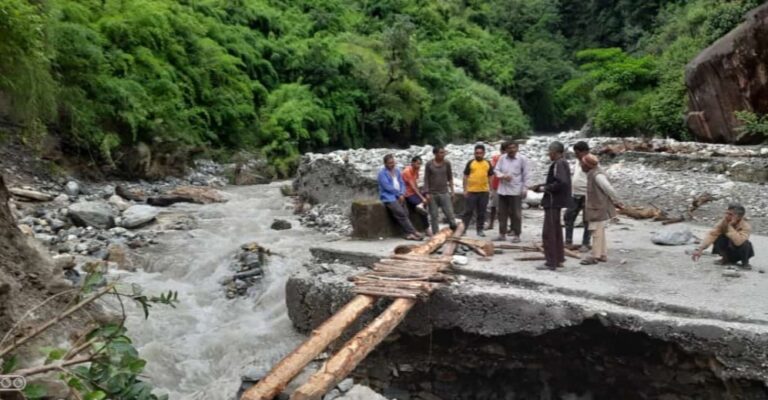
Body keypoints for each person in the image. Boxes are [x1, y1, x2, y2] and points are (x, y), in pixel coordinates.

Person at [531, 141, 571, 271]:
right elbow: (558, 181)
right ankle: (559, 258)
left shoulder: (558, 164)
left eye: (550, 152)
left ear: (556, 152)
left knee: (549, 233)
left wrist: (543, 188)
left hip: (553, 202)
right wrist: (541, 185)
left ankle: (551, 261)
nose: (549, 154)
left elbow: (561, 183)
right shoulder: (562, 163)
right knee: (556, 231)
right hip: (556, 202)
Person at [578, 154, 624, 265]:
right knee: (599, 231)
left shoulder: (597, 175)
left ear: (588, 165)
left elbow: (608, 188)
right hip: (595, 206)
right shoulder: (591, 173)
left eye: (583, 164)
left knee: (596, 231)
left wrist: (618, 201)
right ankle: (602, 254)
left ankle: (595, 256)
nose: (581, 166)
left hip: (598, 207)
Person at [691, 203, 754, 268]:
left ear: (739, 217)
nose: (727, 216)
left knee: (746, 244)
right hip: (728, 251)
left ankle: (745, 263)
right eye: (726, 213)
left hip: (739, 252)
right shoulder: (723, 222)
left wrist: (729, 227)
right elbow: (712, 234)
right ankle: (725, 259)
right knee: (719, 237)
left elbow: (738, 242)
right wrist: (700, 249)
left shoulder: (746, 226)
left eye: (730, 214)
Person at [377, 154, 422, 241]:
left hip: (400, 195)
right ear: (385, 164)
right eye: (390, 163)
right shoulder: (382, 174)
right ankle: (413, 232)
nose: (392, 164)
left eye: (393, 162)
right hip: (389, 197)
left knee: (406, 212)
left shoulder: (397, 171)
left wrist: (401, 193)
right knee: (401, 213)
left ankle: (408, 233)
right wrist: (398, 194)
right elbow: (387, 187)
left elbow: (402, 183)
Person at [493, 142, 530, 243]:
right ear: (506, 149)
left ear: (517, 148)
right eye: (509, 148)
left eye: (514, 147)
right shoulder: (502, 158)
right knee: (502, 213)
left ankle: (517, 235)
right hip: (503, 190)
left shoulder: (522, 159)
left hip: (515, 190)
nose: (511, 150)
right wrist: (503, 176)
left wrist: (525, 188)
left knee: (516, 214)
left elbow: (526, 175)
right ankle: (502, 234)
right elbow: (496, 170)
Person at [564, 141, 592, 252]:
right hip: (575, 194)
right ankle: (568, 241)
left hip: (587, 195)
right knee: (568, 216)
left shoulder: (590, 161)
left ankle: (585, 243)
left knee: (587, 220)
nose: (576, 155)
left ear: (585, 151)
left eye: (578, 153)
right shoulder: (578, 160)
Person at [462, 144, 494, 237]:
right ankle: (463, 229)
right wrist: (465, 189)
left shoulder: (487, 163)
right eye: (476, 153)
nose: (478, 155)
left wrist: (491, 189)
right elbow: (465, 176)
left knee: (482, 212)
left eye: (480, 153)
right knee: (468, 211)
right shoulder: (470, 163)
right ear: (474, 153)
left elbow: (491, 176)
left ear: (484, 153)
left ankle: (480, 230)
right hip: (471, 191)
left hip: (484, 191)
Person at [424, 145, 457, 234]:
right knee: (434, 216)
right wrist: (426, 192)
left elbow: (450, 177)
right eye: (441, 153)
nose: (443, 154)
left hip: (444, 192)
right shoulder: (429, 164)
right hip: (432, 193)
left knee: (450, 215)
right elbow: (426, 178)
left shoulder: (447, 163)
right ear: (435, 154)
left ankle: (454, 233)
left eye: (444, 152)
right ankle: (436, 236)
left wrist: (452, 191)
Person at [402, 156, 430, 234]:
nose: (419, 166)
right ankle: (426, 228)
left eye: (420, 164)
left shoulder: (416, 170)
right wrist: (421, 197)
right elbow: (413, 187)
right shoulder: (407, 171)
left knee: (427, 196)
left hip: (413, 192)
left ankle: (421, 206)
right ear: (412, 163)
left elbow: (415, 183)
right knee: (422, 202)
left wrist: (422, 193)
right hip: (407, 193)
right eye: (417, 164)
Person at [485, 143, 504, 231]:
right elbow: (490, 172)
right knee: (494, 205)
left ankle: (498, 224)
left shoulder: (496, 158)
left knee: (502, 207)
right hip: (497, 185)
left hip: (504, 186)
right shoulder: (496, 159)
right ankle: (492, 223)